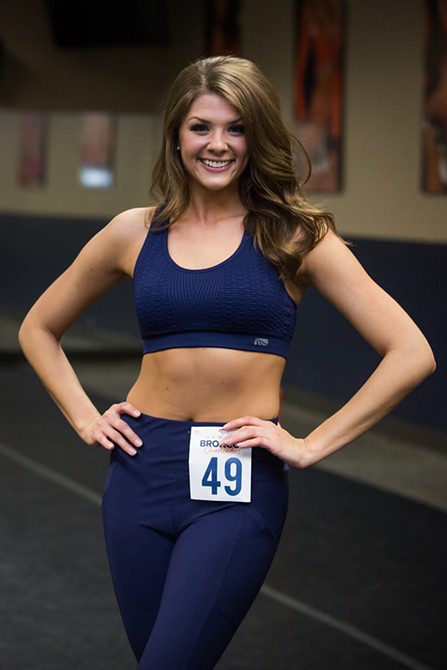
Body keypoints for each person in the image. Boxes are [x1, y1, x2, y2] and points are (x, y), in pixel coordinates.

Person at [18, 55, 436, 669]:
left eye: (235, 128)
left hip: (234, 478)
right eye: (200, 127)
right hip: (139, 467)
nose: (217, 144)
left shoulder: (296, 235)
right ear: (176, 136)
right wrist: (84, 417)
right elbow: (38, 327)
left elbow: (412, 352)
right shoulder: (133, 232)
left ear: (256, 136)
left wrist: (312, 444)